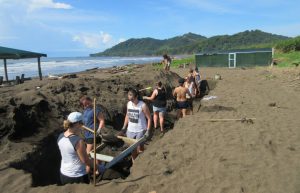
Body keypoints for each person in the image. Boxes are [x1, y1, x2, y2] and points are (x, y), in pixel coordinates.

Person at [57, 112, 95, 185]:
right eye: (82, 123)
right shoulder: (78, 141)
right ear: (77, 124)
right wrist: (97, 167)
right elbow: (85, 161)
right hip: (77, 176)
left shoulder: (60, 136)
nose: (82, 125)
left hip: (64, 174)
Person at [120, 88, 151, 161]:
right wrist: (124, 127)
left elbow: (149, 118)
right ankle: (134, 164)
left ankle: (142, 161)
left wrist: (148, 130)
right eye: (129, 96)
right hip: (130, 130)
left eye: (131, 97)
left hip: (141, 130)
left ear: (136, 96)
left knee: (140, 148)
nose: (130, 98)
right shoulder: (128, 104)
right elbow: (127, 115)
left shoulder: (142, 105)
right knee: (132, 149)